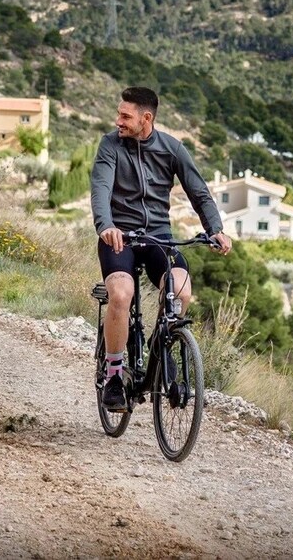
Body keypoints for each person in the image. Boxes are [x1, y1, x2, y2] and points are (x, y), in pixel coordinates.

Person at [89, 86, 232, 410]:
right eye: (119, 114)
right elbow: (100, 188)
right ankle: (113, 376)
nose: (118, 121)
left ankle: (161, 340)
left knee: (181, 290)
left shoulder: (172, 149)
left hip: (158, 236)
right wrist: (106, 226)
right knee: (121, 294)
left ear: (146, 118)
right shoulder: (110, 145)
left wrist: (216, 230)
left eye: (125, 116)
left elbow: (200, 193)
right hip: (119, 237)